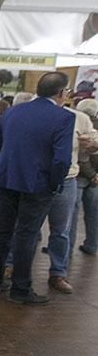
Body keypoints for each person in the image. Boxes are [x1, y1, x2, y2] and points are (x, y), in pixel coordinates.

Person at [0, 72, 74, 304]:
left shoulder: (12, 111)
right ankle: (20, 289)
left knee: (2, 231)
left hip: (5, 179)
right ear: (61, 93)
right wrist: (55, 183)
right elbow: (62, 159)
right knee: (27, 234)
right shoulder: (63, 117)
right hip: (38, 184)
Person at [41, 101, 98, 293]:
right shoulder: (34, 114)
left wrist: (91, 145)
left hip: (67, 179)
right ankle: (13, 265)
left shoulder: (79, 118)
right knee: (27, 227)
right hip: (39, 178)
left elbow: (91, 145)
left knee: (62, 230)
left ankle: (58, 272)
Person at [76, 99, 98, 256]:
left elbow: (81, 158)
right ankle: (92, 244)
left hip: (79, 177)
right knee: (93, 214)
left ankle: (66, 250)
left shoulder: (80, 125)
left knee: (70, 215)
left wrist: (92, 174)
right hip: (96, 178)